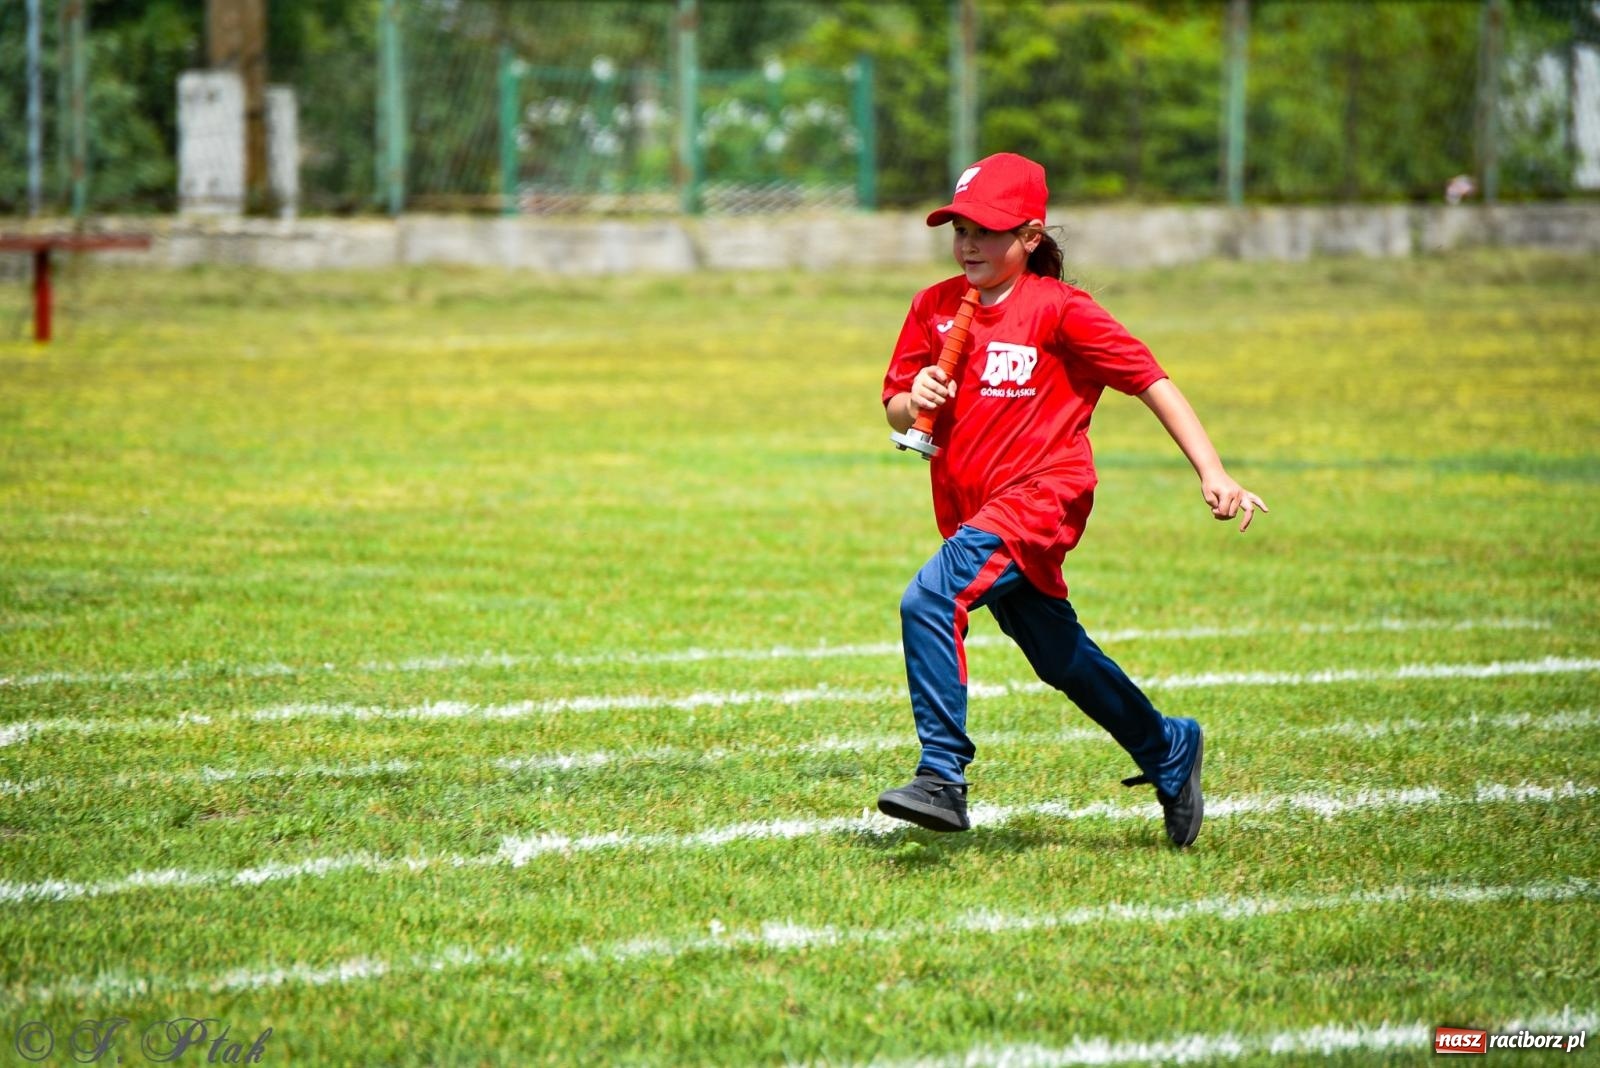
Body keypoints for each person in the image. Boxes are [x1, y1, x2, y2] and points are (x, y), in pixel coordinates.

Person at [877, 152, 1267, 848]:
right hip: (975, 508)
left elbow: (1152, 380)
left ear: (1030, 237)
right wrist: (915, 402)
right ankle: (1167, 747)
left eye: (987, 231)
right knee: (1059, 658)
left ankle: (942, 775)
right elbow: (895, 410)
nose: (968, 243)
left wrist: (1214, 472)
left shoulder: (1060, 310)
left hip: (1041, 501)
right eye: (959, 227)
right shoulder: (933, 306)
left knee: (930, 599)